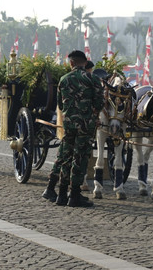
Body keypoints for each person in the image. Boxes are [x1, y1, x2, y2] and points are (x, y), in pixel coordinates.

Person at [42, 50, 104, 207]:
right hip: (86, 125)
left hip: (69, 125)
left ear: (71, 63)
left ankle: (62, 194)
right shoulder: (93, 79)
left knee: (66, 157)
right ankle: (74, 195)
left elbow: (60, 105)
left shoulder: (63, 79)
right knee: (80, 158)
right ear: (85, 62)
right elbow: (99, 103)